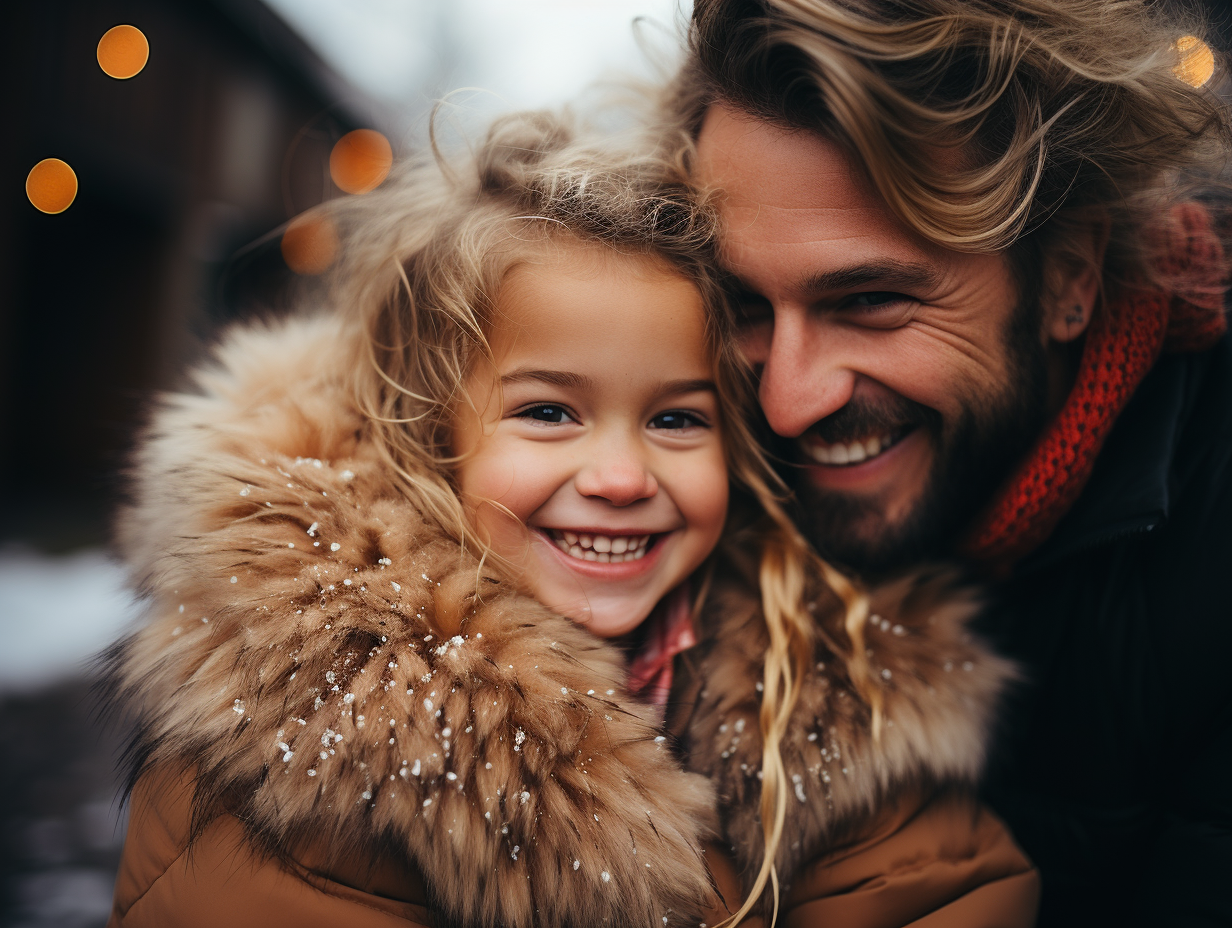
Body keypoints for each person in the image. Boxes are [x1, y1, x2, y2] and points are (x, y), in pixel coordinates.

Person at [104, 109, 1034, 927]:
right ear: (434, 436)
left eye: (677, 419)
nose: (623, 477)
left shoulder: (825, 688)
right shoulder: (310, 743)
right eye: (550, 412)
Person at [667, 0, 1232, 925]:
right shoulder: (663, 476)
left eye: (873, 300)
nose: (785, 401)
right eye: (746, 306)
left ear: (1069, 278)